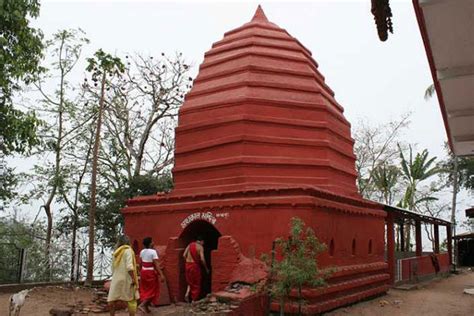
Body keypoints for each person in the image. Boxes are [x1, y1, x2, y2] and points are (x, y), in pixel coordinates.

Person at [107, 235, 139, 316]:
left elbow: (113, 267)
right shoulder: (128, 250)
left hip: (116, 279)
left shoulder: (116, 252)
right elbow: (129, 267)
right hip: (127, 279)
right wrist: (134, 279)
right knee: (131, 301)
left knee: (112, 301)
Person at [138, 237, 165, 314]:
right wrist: (162, 275)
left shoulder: (142, 251)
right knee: (152, 290)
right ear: (150, 243)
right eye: (152, 241)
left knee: (145, 290)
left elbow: (140, 263)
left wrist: (139, 272)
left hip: (143, 272)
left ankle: (146, 308)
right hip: (150, 273)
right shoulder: (153, 252)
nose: (153, 243)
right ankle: (142, 305)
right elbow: (156, 265)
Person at [183, 236, 209, 302]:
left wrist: (187, 262)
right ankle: (193, 300)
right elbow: (202, 259)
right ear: (201, 241)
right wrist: (206, 268)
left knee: (189, 281)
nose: (203, 243)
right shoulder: (200, 247)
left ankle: (187, 293)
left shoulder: (190, 245)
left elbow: (184, 255)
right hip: (194, 266)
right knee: (196, 283)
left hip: (187, 265)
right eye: (203, 242)